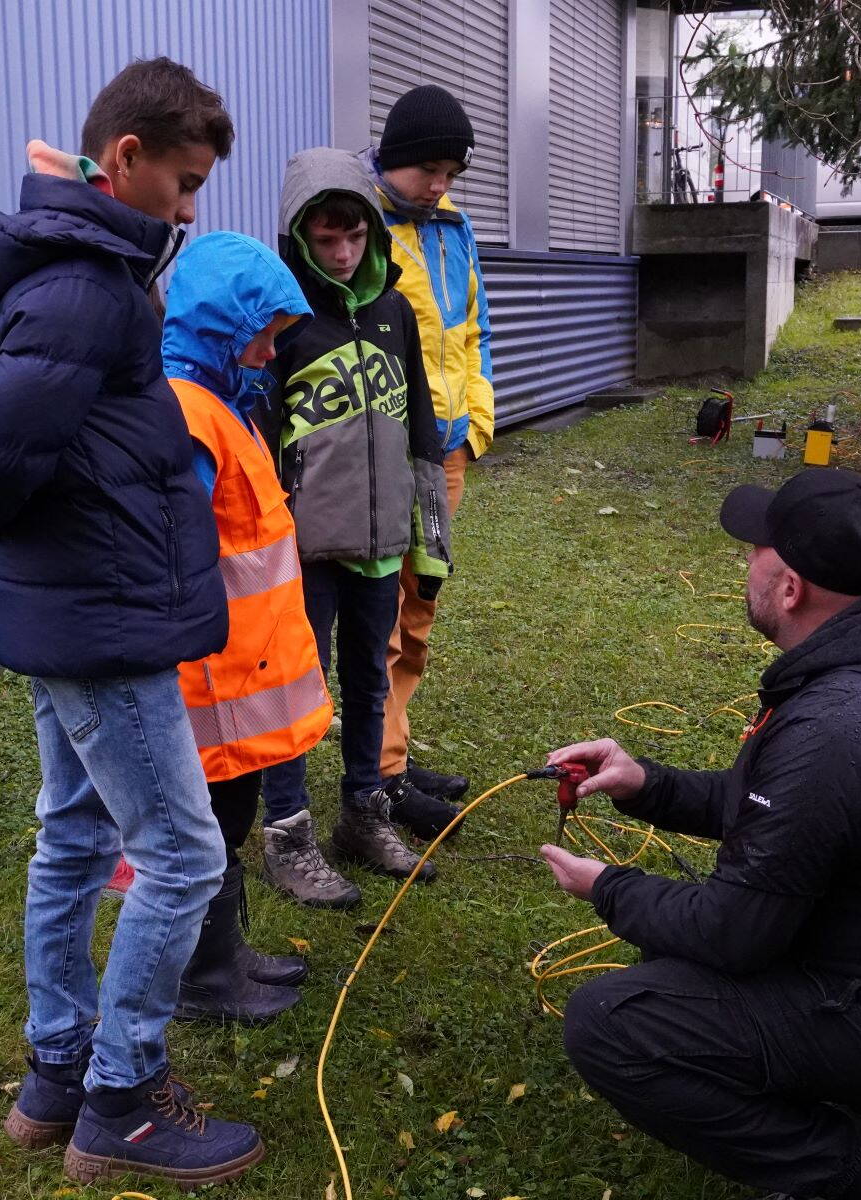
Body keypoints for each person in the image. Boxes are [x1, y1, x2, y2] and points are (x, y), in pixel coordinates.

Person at [0, 58, 263, 1188]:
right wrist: (77, 523)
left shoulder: (84, 266)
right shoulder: (86, 288)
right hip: (101, 619)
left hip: (79, 610)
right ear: (124, 160)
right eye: (183, 181)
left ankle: (55, 1073)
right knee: (182, 855)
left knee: (75, 836)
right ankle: (122, 1097)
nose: (190, 209)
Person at [542, 469, 861, 1200]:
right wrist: (646, 782)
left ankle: (856, 1180)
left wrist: (607, 886)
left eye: (754, 551)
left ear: (790, 588)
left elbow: (734, 934)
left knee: (609, 1023)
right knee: (678, 943)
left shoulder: (843, 721)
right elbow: (787, 817)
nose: (744, 564)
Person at [257, 147, 454, 906]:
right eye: (326, 240)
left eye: (355, 238)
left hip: (381, 548)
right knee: (301, 693)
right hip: (304, 550)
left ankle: (363, 818)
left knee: (370, 682)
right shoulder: (284, 318)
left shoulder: (394, 311)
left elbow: (423, 432)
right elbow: (261, 434)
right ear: (299, 237)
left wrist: (430, 544)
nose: (342, 254)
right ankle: (287, 834)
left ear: (373, 231)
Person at [157, 230, 333, 1023]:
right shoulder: (191, 413)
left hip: (243, 670)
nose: (270, 350)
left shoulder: (228, 403)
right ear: (222, 326)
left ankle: (225, 954)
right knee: (211, 825)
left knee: (229, 819)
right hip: (211, 675)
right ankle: (203, 977)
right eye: (262, 332)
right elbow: (177, 545)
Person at [358, 84, 494, 838]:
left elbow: (474, 334)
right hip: (385, 457)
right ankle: (380, 774)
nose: (440, 185)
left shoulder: (455, 226)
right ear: (395, 158)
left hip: (445, 457)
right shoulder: (356, 222)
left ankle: (395, 754)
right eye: (430, 170)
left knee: (421, 605)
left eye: (451, 172)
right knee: (380, 612)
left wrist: (473, 426)